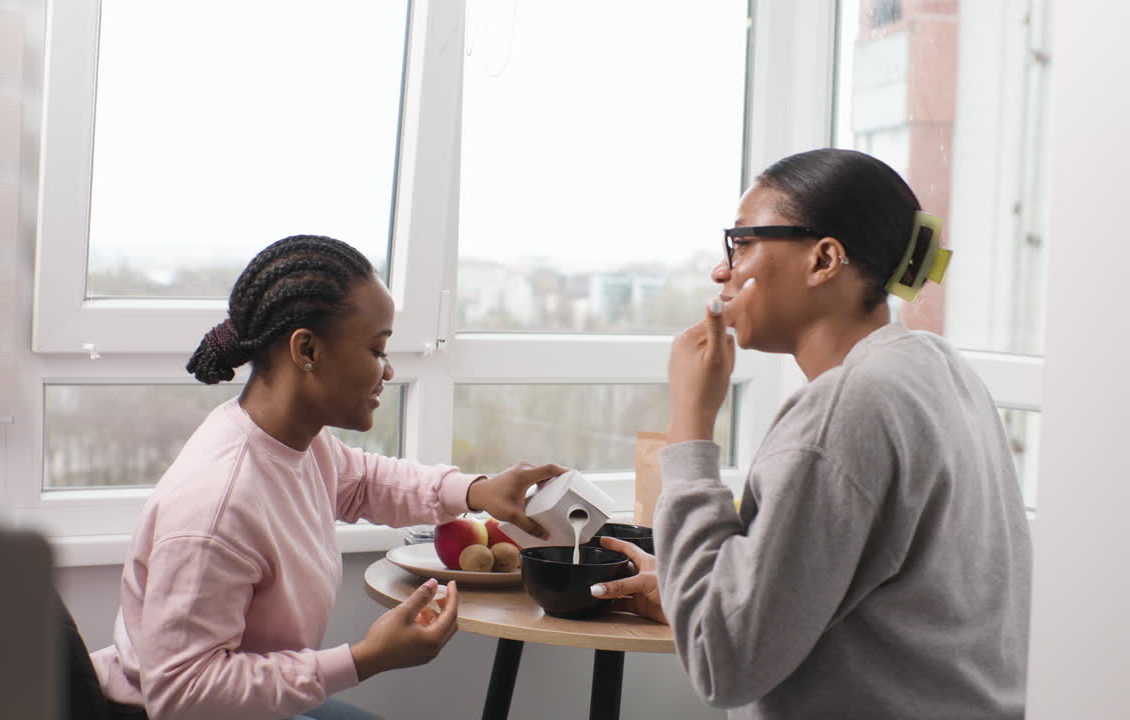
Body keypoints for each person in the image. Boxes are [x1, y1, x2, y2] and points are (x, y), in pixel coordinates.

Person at [592, 149, 1032, 719]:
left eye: (743, 243)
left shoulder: (846, 408)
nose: (721, 271)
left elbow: (721, 663)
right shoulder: (937, 370)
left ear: (824, 259)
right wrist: (692, 588)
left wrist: (691, 427)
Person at [89, 234, 563, 720]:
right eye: (377, 349)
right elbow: (183, 695)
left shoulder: (294, 441)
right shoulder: (217, 505)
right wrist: (364, 659)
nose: (388, 369)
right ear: (307, 350)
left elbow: (360, 480)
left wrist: (475, 490)